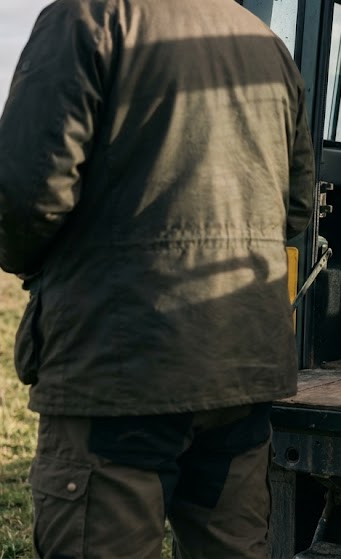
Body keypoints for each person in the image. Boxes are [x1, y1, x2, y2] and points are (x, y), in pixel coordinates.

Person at [0, 0, 314, 557]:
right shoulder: (268, 44)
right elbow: (294, 209)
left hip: (120, 364)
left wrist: (31, 265)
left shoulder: (87, 18)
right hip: (242, 362)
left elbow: (23, 197)